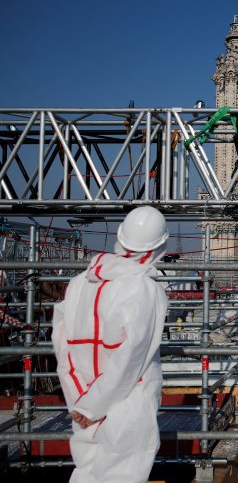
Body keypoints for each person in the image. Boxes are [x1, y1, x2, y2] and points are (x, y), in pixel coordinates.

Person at [52, 206, 169, 483]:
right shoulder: (145, 289)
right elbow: (132, 356)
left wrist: (80, 400)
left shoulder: (79, 282)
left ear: (120, 236)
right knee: (122, 472)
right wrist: (95, 405)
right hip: (126, 401)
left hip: (82, 397)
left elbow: (62, 341)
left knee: (85, 472)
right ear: (160, 246)